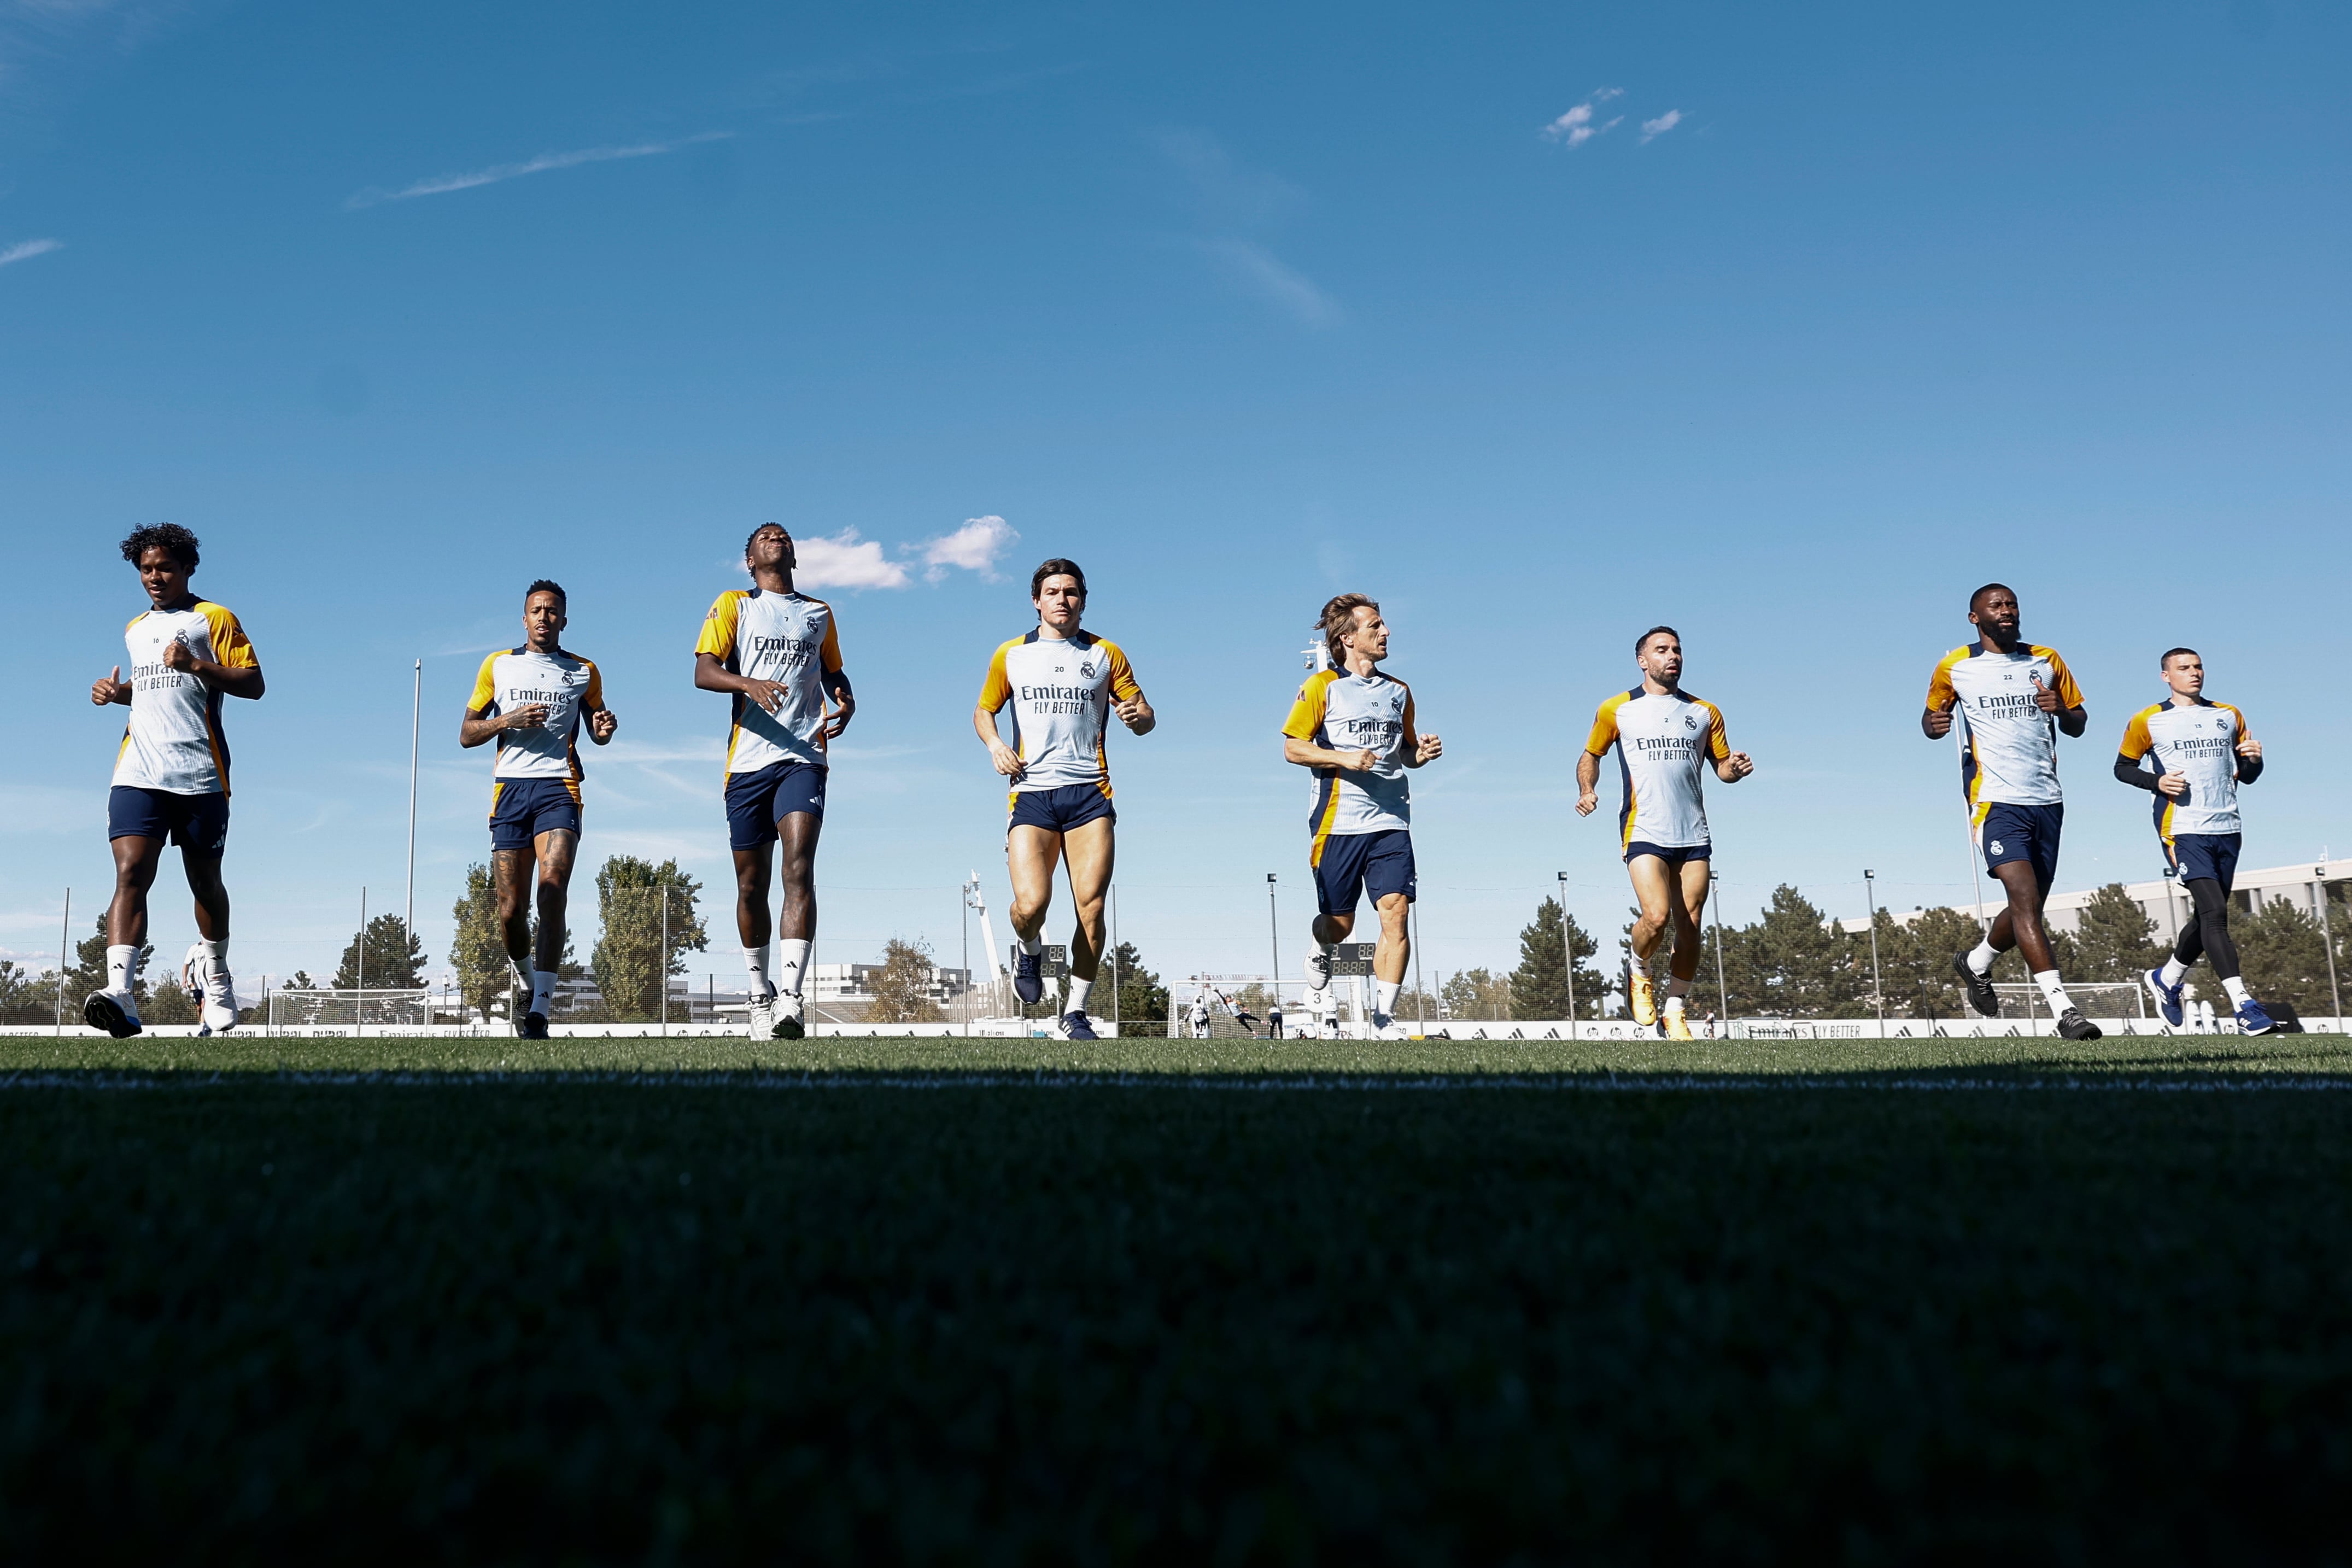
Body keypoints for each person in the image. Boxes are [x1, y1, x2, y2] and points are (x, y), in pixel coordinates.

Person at [85, 524, 265, 1039]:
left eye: (164, 567)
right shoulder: (135, 628)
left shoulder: (215, 618)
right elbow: (150, 690)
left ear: (188, 568)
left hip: (200, 772)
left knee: (205, 883)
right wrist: (114, 692)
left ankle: (218, 973)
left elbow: (254, 684)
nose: (155, 578)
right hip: (137, 769)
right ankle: (121, 993)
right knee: (131, 873)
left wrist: (196, 663)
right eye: (146, 569)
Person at [974, 558, 1152, 1040]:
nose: (1062, 599)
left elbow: (1143, 713)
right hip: (1031, 793)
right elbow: (984, 710)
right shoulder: (1010, 655)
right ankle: (1029, 950)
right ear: (1037, 600)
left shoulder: (1105, 654)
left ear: (1083, 600)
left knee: (1090, 908)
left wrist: (1140, 715)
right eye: (1052, 591)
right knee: (1031, 905)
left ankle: (1074, 1012)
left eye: (1071, 591)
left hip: (1090, 793)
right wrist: (995, 745)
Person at [695, 524, 855, 1040]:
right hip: (747, 762)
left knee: (799, 867)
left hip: (803, 755)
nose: (776, 539)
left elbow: (833, 672)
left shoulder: (819, 613)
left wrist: (845, 699)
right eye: (765, 537)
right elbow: (704, 671)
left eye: (784, 535)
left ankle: (791, 1000)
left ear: (795, 554)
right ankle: (758, 994)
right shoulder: (734, 605)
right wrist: (747, 683)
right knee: (750, 887)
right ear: (749, 560)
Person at [1923, 583, 2101, 1041]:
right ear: (1974, 617)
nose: (2006, 611)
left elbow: (2079, 725)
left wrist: (2061, 709)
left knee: (2031, 904)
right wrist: (1935, 724)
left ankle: (1977, 961)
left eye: (2011, 605)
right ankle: (2065, 1011)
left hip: (2046, 798)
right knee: (2024, 898)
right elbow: (1930, 719)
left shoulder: (2046, 659)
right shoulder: (1955, 666)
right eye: (1996, 606)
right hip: (1995, 800)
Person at [1577, 627, 1752, 1041]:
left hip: (1693, 833)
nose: (1672, 655)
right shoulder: (1616, 709)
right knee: (1656, 917)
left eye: (1677, 650)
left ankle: (1674, 1011)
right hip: (1644, 828)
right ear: (1643, 661)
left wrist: (1736, 770)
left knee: (1690, 926)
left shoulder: (1705, 712)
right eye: (1662, 650)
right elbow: (1591, 755)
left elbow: (1723, 768)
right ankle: (1639, 969)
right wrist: (1587, 790)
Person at [1283, 593, 1443, 1039]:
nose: (1386, 632)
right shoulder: (1321, 688)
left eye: (1384, 625)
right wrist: (1344, 758)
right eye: (1375, 626)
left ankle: (1384, 1018)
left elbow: (1405, 753)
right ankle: (1320, 947)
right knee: (1340, 924)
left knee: (1396, 913)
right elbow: (1293, 748)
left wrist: (1421, 754)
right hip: (1338, 823)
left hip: (1391, 820)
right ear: (1348, 638)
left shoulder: (1400, 692)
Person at [463, 581, 616, 1040]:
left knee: (552, 892)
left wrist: (605, 730)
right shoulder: (499, 665)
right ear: (524, 619)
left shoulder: (584, 671)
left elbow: (598, 728)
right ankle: (529, 983)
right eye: (537, 610)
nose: (545, 617)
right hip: (509, 792)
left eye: (553, 611)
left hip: (559, 790)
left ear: (564, 620)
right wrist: (508, 720)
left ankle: (539, 1014)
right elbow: (467, 734)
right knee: (511, 911)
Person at [2116, 648, 2274, 1035]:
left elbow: (2248, 776)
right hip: (2182, 827)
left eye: (2198, 666)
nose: (2194, 673)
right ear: (2165, 677)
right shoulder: (2148, 720)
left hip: (2228, 826)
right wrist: (2156, 782)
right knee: (2216, 912)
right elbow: (2122, 768)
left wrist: (2254, 759)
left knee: (2207, 916)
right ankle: (2244, 1005)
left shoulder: (2228, 715)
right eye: (2184, 668)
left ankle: (2167, 978)